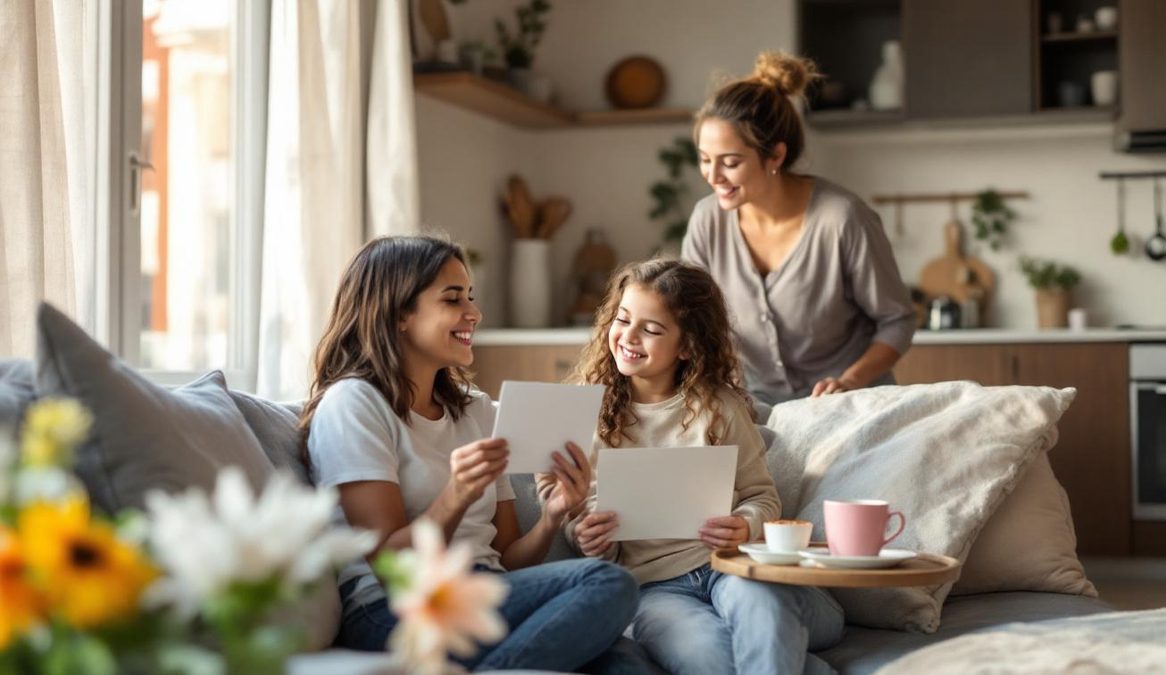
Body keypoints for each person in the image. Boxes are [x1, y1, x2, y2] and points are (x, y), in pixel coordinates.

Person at [300, 235, 642, 672]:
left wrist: (552, 515)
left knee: (626, 660)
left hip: (484, 595)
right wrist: (456, 494)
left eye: (471, 297)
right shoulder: (354, 405)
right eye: (453, 298)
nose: (474, 313)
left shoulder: (473, 408)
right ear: (399, 313)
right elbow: (388, 567)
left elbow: (504, 556)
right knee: (609, 583)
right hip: (397, 608)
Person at [540, 259, 844, 675]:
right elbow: (571, 512)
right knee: (709, 658)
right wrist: (587, 536)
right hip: (655, 589)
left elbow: (762, 495)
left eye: (650, 329)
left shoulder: (719, 407)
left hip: (729, 567)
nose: (628, 336)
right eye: (622, 319)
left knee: (767, 608)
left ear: (686, 346)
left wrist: (745, 523)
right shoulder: (580, 412)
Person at [682, 51, 916, 404]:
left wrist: (849, 382)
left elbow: (897, 321)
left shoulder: (842, 219)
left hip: (852, 407)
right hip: (758, 411)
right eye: (704, 159)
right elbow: (690, 317)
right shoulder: (707, 220)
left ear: (775, 156)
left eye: (730, 162)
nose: (713, 177)